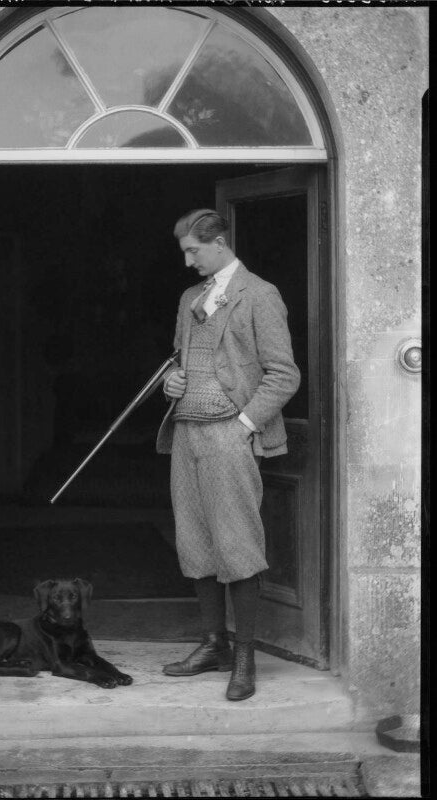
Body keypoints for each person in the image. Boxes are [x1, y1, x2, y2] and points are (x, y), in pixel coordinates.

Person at [156, 209, 300, 701]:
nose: (189, 261)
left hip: (229, 435)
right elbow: (179, 360)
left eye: (194, 250)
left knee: (237, 545)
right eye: (185, 252)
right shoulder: (189, 298)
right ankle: (213, 644)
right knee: (194, 541)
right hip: (186, 434)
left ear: (218, 243)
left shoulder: (260, 295)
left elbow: (284, 374)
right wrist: (170, 383)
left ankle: (245, 658)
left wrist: (243, 425)